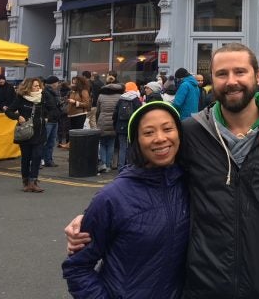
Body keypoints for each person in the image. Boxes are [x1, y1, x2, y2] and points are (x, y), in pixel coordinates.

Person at [67, 43, 259, 298]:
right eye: (222, 74)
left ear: (258, 76)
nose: (231, 81)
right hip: (199, 288)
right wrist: (94, 216)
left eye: (240, 72)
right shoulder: (192, 133)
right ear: (211, 81)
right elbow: (149, 176)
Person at [62, 101, 189, 298]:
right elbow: (77, 268)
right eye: (148, 133)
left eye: (168, 129)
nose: (160, 138)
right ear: (135, 141)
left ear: (179, 134)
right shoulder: (112, 197)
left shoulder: (191, 184)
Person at [5, 78, 47, 192]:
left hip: (40, 132)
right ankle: (26, 181)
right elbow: (8, 111)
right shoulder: (21, 98)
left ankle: (33, 181)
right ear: (29, 87)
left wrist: (48, 117)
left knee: (37, 156)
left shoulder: (43, 97)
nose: (38, 88)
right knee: (26, 158)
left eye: (39, 86)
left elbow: (53, 109)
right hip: (26, 133)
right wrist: (18, 117)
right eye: (35, 86)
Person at [95, 76, 124, 172]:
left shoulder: (101, 96)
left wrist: (97, 120)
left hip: (102, 120)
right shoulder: (120, 97)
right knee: (111, 144)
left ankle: (102, 163)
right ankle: (108, 165)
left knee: (102, 143)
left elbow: (98, 110)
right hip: (114, 122)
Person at [113, 82, 143, 168]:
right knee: (131, 147)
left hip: (120, 126)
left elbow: (115, 114)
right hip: (132, 127)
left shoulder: (121, 99)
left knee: (122, 147)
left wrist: (115, 125)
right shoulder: (136, 100)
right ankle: (130, 166)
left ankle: (121, 167)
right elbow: (139, 114)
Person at [42, 76, 63, 167]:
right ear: (54, 83)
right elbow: (43, 106)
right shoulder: (45, 92)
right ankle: (41, 160)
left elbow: (55, 106)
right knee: (44, 141)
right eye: (57, 83)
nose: (58, 84)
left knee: (51, 142)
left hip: (55, 119)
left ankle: (49, 160)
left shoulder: (54, 93)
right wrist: (46, 116)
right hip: (49, 120)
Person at [67, 75, 92, 140]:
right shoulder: (72, 91)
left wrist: (75, 102)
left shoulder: (83, 91)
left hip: (79, 115)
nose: (73, 84)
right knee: (72, 134)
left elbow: (87, 104)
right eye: (72, 83)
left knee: (77, 133)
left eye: (75, 83)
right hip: (71, 115)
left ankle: (77, 147)